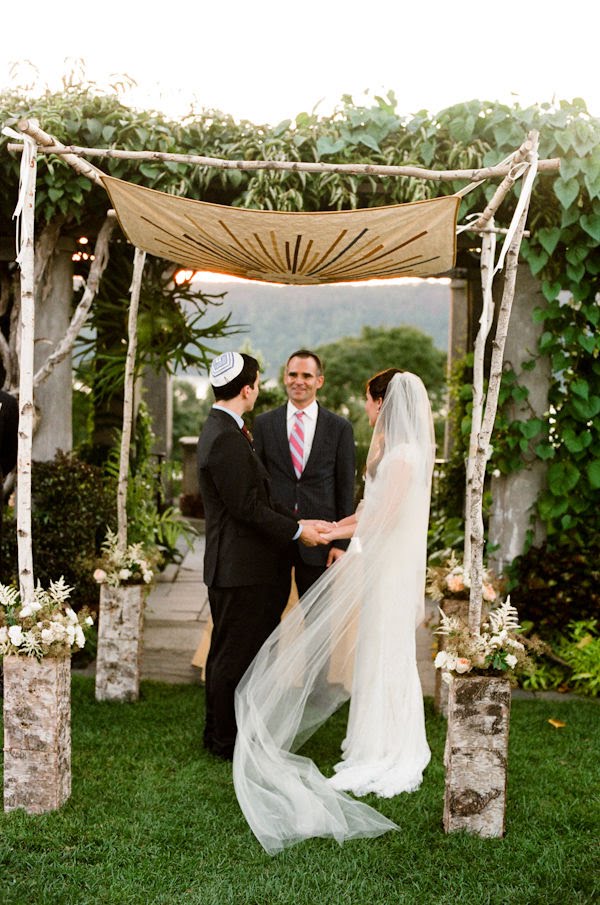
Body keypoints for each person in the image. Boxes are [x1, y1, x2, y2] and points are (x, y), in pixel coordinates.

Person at [232, 369, 436, 854]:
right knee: (373, 649)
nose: (366, 408)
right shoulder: (397, 451)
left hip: (388, 569)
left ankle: (390, 747)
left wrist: (330, 533)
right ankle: (372, 740)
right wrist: (330, 525)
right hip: (379, 562)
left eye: (369, 400)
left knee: (386, 651)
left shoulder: (404, 457)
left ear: (383, 402)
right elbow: (368, 512)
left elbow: (383, 518)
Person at [196, 351, 325, 761]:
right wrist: (298, 531)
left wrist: (300, 522)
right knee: (233, 659)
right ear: (248, 389)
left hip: (240, 568)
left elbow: (259, 498)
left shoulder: (224, 429)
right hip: (241, 570)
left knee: (227, 655)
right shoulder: (225, 437)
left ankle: (218, 733)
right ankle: (225, 741)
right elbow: (247, 508)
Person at [252, 350, 355, 608]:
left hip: (321, 542)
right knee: (266, 619)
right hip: (274, 540)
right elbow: (258, 484)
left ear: (319, 381)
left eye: (306, 376)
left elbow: (345, 488)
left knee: (318, 621)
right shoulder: (264, 423)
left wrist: (341, 543)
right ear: (285, 377)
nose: (299, 381)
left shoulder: (340, 428)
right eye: (293, 374)